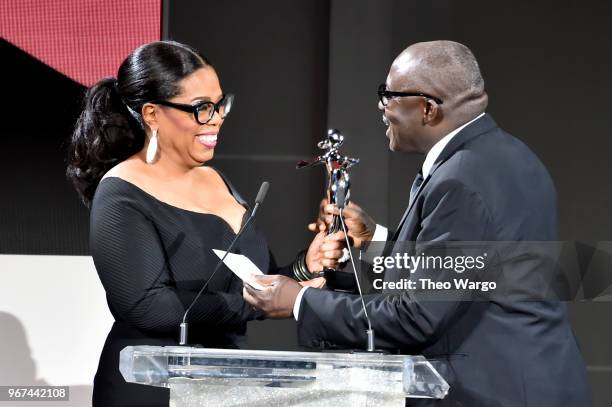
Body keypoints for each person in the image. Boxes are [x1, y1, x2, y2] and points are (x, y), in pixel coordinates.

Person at [244, 41, 592, 406]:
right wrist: (376, 241)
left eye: (389, 95)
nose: (382, 107)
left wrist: (299, 300)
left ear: (427, 109)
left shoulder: (461, 178)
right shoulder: (507, 155)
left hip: (496, 393)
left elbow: (416, 315)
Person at [67, 41, 325, 407]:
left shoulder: (215, 179)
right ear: (153, 114)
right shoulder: (121, 192)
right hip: (152, 388)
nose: (217, 118)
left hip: (223, 384)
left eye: (220, 104)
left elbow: (254, 278)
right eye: (201, 108)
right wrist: (258, 304)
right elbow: (146, 306)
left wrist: (303, 268)